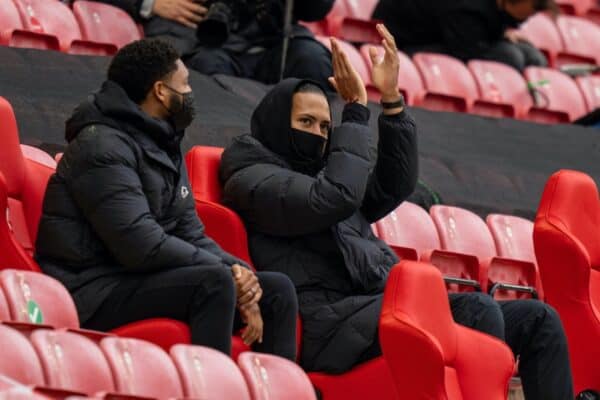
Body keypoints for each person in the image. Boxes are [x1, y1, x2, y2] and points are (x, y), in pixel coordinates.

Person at [219, 24, 574, 400]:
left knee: (539, 319)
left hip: (377, 307)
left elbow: (393, 185)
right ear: (276, 123)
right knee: (476, 310)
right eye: (306, 123)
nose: (320, 134)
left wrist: (390, 101)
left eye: (326, 125)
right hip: (327, 324)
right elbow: (332, 198)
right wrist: (354, 112)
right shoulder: (252, 177)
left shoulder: (327, 173)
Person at [34, 38, 298, 361]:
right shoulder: (100, 146)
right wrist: (227, 273)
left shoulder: (163, 141)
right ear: (161, 92)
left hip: (138, 276)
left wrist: (243, 274)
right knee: (213, 282)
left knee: (277, 291)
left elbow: (190, 232)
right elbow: (139, 244)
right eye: (185, 84)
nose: (190, 94)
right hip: (92, 288)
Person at [99, 0, 334, 87]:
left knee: (312, 61)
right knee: (206, 70)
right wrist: (148, 3)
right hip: (199, 38)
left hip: (272, 39)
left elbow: (316, 8)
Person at [372, 0, 555, 72]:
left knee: (533, 56)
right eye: (532, 10)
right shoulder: (470, 7)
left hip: (448, 37)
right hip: (404, 41)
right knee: (510, 56)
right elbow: (465, 47)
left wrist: (503, 35)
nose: (530, 17)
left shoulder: (493, 9)